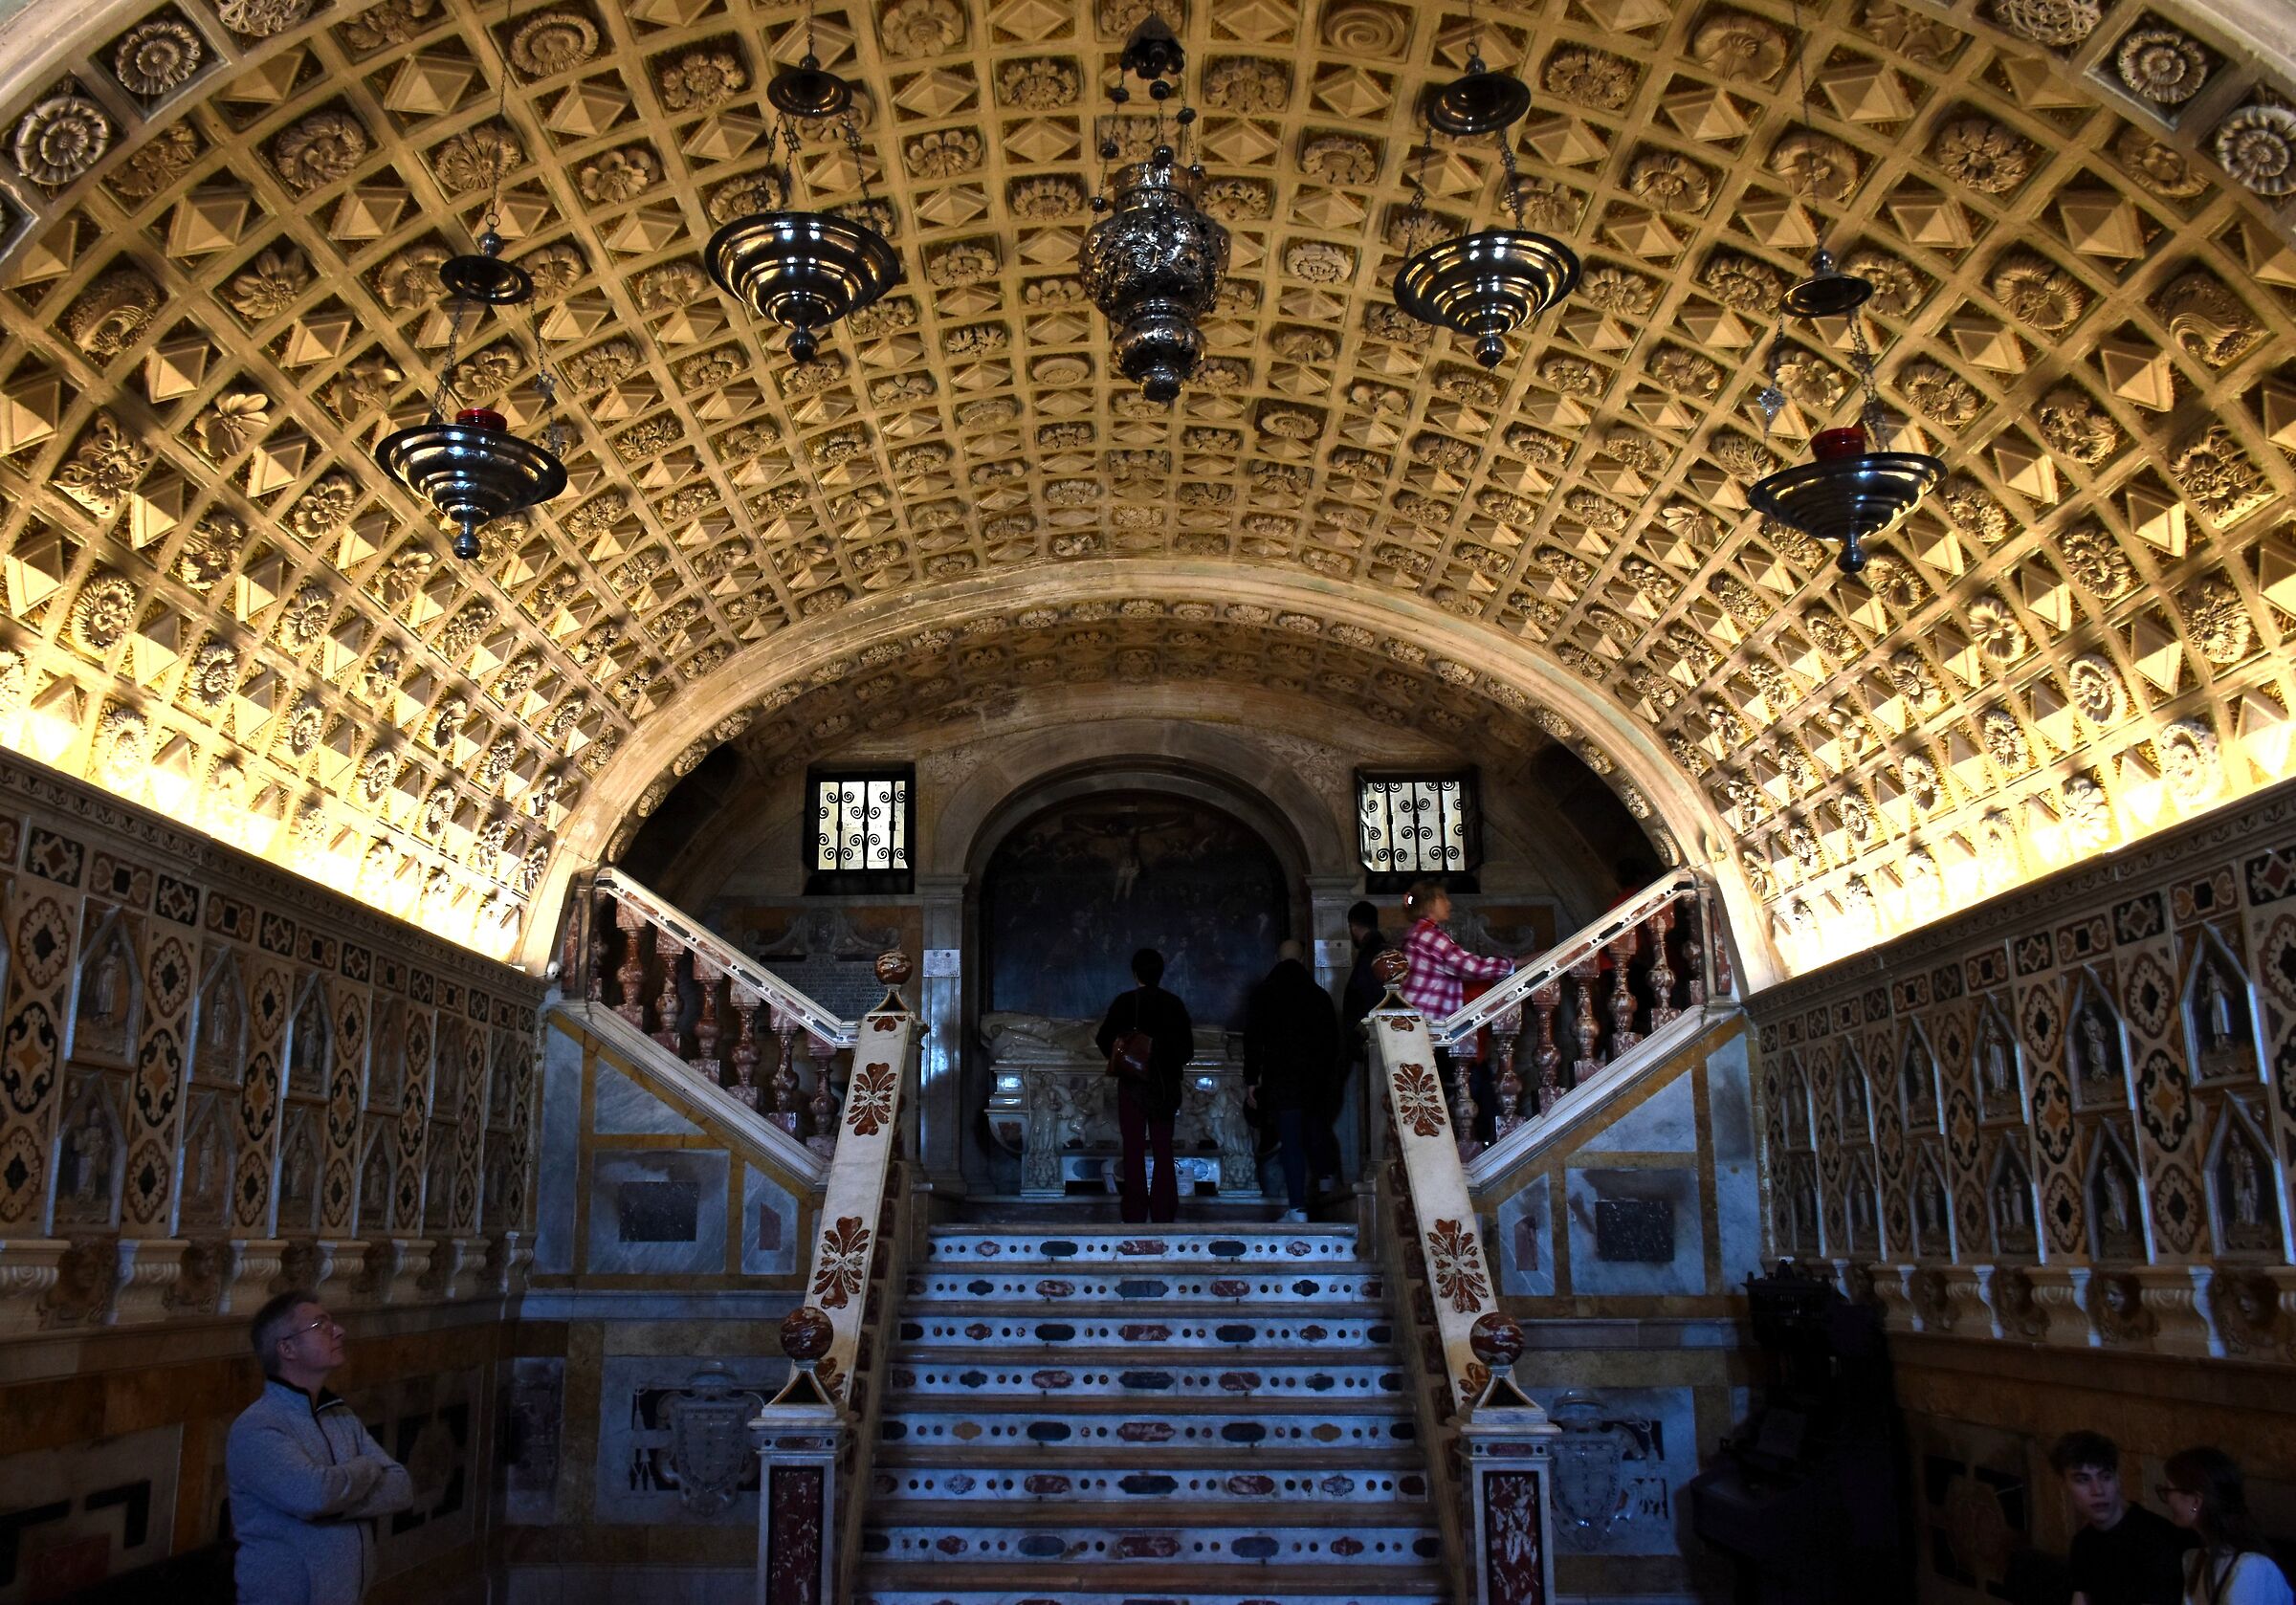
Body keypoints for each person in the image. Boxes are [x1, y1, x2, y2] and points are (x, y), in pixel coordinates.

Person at [228, 1290, 413, 1605]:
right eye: (320, 1326)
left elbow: (401, 1487)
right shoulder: (257, 1427)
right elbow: (314, 1496)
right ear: (287, 1348)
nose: (339, 1331)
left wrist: (330, 1504)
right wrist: (366, 1468)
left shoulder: (338, 1414)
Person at [1398, 877, 1514, 1141]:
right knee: (1472, 1083)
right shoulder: (1428, 935)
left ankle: (1492, 1137)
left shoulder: (1418, 934)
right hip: (1433, 1028)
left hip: (1427, 1027)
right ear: (1430, 903)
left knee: (1472, 1081)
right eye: (1443, 898)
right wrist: (1510, 965)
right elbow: (1469, 967)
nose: (1448, 903)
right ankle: (1493, 1140)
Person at [1244, 939, 1341, 1222]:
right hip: (1314, 1079)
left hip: (1282, 1078)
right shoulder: (1319, 995)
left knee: (1290, 1141)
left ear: (1277, 958)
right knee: (1315, 1127)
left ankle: (1297, 1208)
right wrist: (1326, 1077)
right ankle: (1326, 1184)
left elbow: (1253, 1041)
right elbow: (1331, 1043)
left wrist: (1252, 1079)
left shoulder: (1264, 993)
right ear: (1303, 960)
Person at [1095, 947, 1194, 1223]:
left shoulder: (1125, 1002)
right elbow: (1187, 1051)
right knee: (1164, 1148)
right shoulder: (1174, 1004)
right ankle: (1164, 1211)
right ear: (1161, 973)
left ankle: (1135, 1211)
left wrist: (1126, 1058)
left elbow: (1104, 1039)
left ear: (1135, 973)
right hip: (1165, 1085)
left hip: (1133, 1085)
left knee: (1134, 1148)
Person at [2052, 1430, 2196, 1605]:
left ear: (2117, 1478)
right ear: (2064, 1485)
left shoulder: (2156, 1540)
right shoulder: (2083, 1543)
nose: (2097, 1490)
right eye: (2083, 1480)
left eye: (2105, 1477)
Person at [2161, 1447, 2293, 1605]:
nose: (2167, 1499)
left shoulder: (2250, 1569)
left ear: (2196, 1501)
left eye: (2168, 1490)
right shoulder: (2197, 1560)